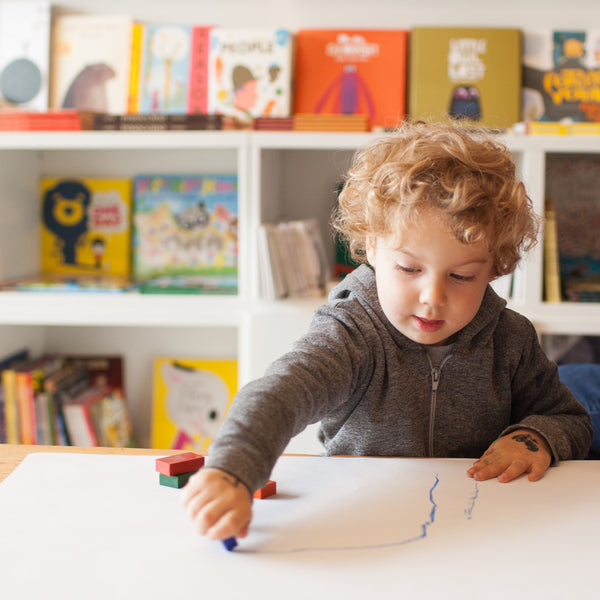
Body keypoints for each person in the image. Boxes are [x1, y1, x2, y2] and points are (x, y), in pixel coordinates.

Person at [181, 121, 593, 542]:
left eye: (463, 276)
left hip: (482, 526)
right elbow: (280, 392)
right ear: (371, 245)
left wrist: (534, 436)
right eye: (409, 268)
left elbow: (569, 419)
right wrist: (231, 469)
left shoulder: (510, 338)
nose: (432, 297)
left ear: (494, 268)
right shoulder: (351, 332)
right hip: (366, 522)